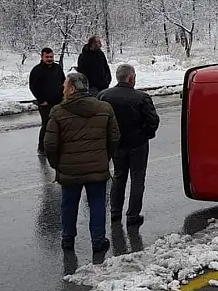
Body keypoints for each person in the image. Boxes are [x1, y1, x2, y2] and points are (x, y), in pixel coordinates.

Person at [44, 72, 120, 253]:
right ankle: (98, 241)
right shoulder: (105, 108)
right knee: (97, 203)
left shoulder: (58, 112)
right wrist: (105, 157)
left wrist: (57, 164)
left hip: (69, 169)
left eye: (64, 87)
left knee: (69, 204)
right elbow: (115, 138)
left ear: (71, 89)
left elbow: (50, 144)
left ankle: (68, 240)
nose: (63, 91)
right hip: (97, 167)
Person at [97, 64, 160, 227]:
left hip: (116, 145)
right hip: (138, 143)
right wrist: (147, 134)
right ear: (131, 78)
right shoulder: (142, 97)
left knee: (118, 176)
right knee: (137, 179)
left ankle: (115, 212)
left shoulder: (103, 95)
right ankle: (133, 215)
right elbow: (152, 121)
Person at [29, 47, 65, 155]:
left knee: (60, 124)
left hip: (58, 102)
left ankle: (58, 145)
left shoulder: (57, 68)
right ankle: (42, 148)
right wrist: (41, 100)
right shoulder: (37, 70)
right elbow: (33, 86)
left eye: (51, 57)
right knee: (46, 125)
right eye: (47, 57)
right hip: (45, 103)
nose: (49, 59)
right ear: (42, 57)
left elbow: (64, 82)